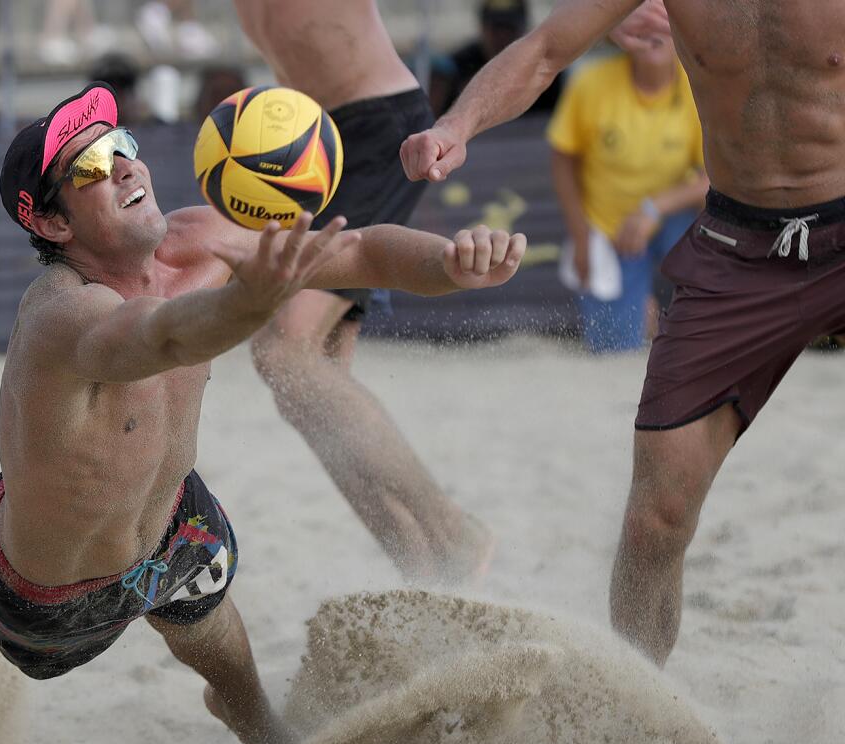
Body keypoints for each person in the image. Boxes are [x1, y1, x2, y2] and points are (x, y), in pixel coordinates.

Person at [0, 82, 527, 744]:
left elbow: (366, 253)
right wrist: (254, 302)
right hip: (52, 587)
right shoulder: (62, 313)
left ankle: (260, 729)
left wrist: (453, 263)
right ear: (54, 225)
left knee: (207, 615)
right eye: (88, 169)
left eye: (120, 147)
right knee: (14, 634)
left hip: (172, 521)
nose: (122, 167)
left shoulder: (202, 241)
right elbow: (165, 339)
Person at [402, 0, 845, 666]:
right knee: (653, 521)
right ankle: (637, 702)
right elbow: (546, 49)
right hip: (737, 249)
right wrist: (457, 124)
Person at [233, 0, 496, 584]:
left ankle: (453, 530)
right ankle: (422, 569)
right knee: (308, 383)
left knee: (281, 351)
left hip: (372, 128)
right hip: (311, 148)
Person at [548, 8, 708, 352]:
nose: (654, 30)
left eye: (666, 18)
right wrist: (580, 237)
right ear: (623, 32)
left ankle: (696, 314)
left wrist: (653, 208)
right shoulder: (590, 82)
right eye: (643, 18)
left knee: (717, 235)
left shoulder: (700, 86)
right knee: (611, 346)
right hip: (609, 230)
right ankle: (644, 309)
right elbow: (562, 161)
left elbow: (715, 179)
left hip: (670, 220)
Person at [429, 0, 562, 117]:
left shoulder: (546, 68)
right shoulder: (456, 67)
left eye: (509, 29)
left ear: (524, 29)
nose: (502, 37)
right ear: (482, 29)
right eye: (496, 29)